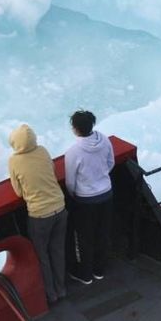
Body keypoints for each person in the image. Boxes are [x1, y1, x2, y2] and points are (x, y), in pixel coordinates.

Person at [8, 124, 68, 305]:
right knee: (57, 251)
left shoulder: (14, 161)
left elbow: (18, 192)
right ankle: (62, 289)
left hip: (40, 215)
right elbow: (52, 172)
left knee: (42, 256)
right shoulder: (42, 151)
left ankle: (51, 295)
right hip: (60, 207)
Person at [64, 109, 114, 285]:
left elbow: (70, 181)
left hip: (85, 200)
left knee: (85, 237)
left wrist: (78, 193)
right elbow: (110, 163)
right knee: (102, 231)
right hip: (106, 193)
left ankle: (86, 275)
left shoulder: (73, 152)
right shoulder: (105, 140)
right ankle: (99, 270)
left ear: (76, 129)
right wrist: (100, 180)